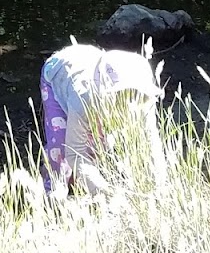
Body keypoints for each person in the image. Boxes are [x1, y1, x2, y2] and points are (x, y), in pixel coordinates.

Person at [39, 43, 160, 193]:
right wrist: (102, 190)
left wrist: (160, 183)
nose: (130, 104)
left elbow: (151, 140)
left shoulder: (144, 100)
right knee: (61, 150)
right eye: (123, 95)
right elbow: (74, 152)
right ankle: (52, 191)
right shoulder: (83, 100)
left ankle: (78, 179)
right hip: (57, 74)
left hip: (89, 70)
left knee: (97, 145)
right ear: (108, 93)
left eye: (136, 95)